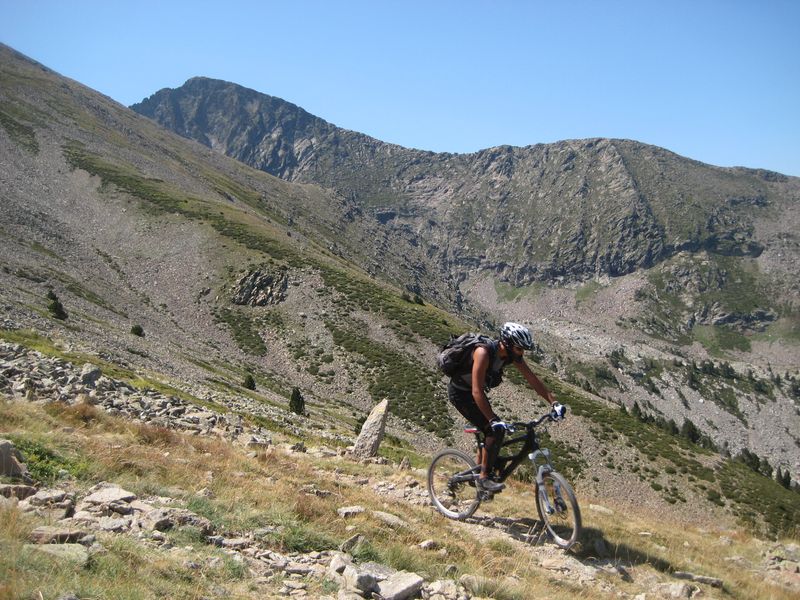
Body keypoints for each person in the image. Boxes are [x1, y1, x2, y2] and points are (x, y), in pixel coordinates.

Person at [447, 322, 565, 492]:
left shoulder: (511, 355)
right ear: (507, 343)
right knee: (494, 429)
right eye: (519, 348)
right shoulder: (483, 352)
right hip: (461, 394)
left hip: (475, 393)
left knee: (496, 432)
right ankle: (483, 478)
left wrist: (554, 403)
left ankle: (483, 469)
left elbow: (532, 380)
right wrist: (493, 420)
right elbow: (477, 391)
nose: (521, 353)